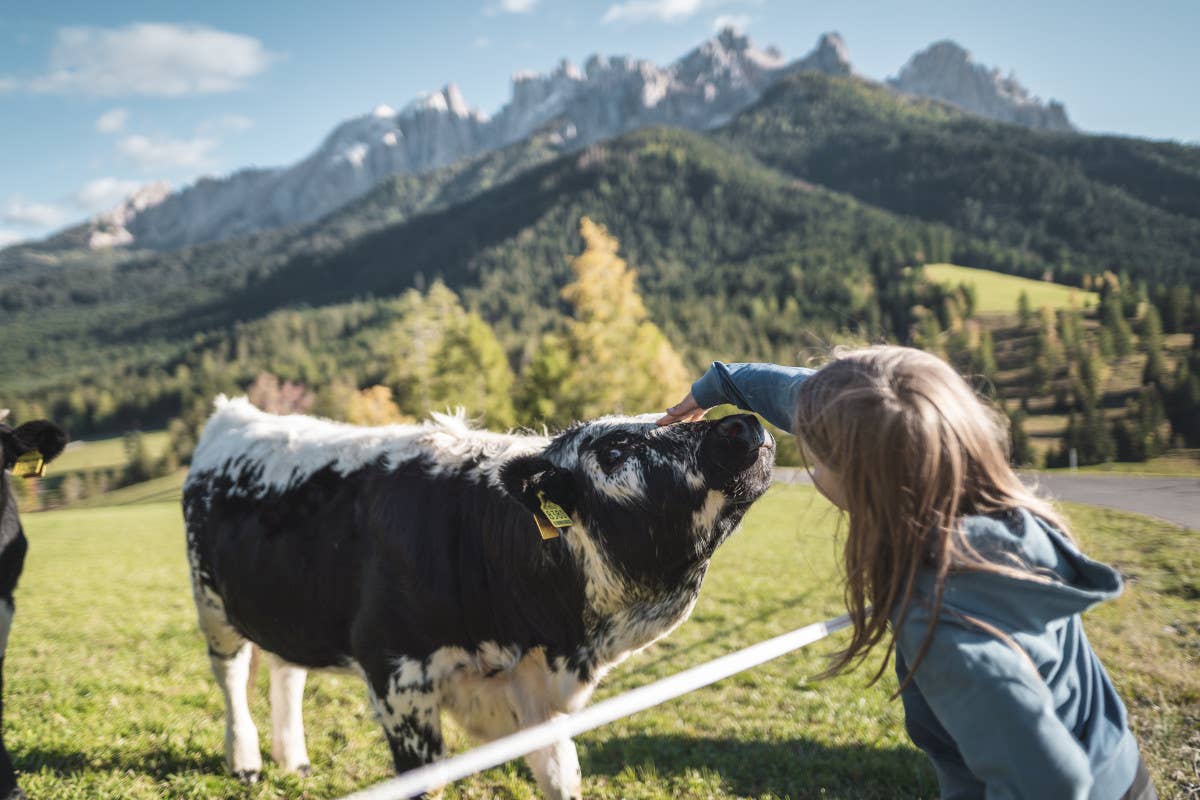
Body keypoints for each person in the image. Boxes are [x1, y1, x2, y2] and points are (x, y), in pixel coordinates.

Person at [657, 346, 1154, 800]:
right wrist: (715, 387)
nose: (805, 442)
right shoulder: (988, 502)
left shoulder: (945, 628)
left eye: (814, 446)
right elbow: (817, 397)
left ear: (857, 478)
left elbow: (1054, 786)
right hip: (1122, 763)